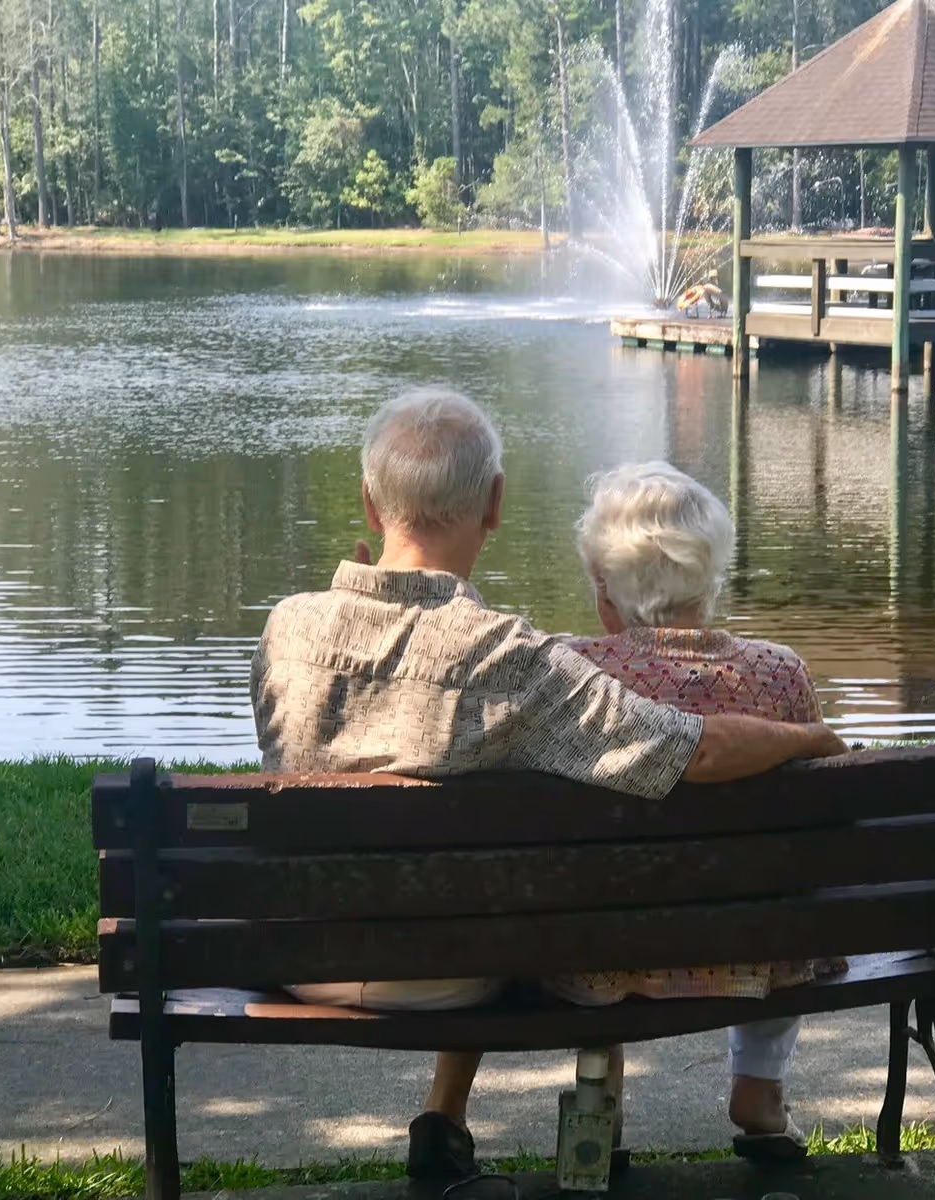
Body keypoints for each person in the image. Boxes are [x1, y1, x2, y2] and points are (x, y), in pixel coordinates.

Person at [250, 390, 847, 1180]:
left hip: (300, 951)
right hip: (449, 972)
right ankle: (467, 1114)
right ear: (495, 504)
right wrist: (811, 738)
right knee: (535, 912)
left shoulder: (285, 628)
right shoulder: (511, 661)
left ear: (367, 501)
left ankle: (446, 1114)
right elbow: (687, 751)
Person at [548, 460, 838, 1163]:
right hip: (755, 944)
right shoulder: (779, 673)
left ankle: (600, 1095)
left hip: (611, 953)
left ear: (602, 589)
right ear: (712, 580)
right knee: (785, 898)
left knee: (588, 901)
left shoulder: (565, 675)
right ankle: (759, 1090)